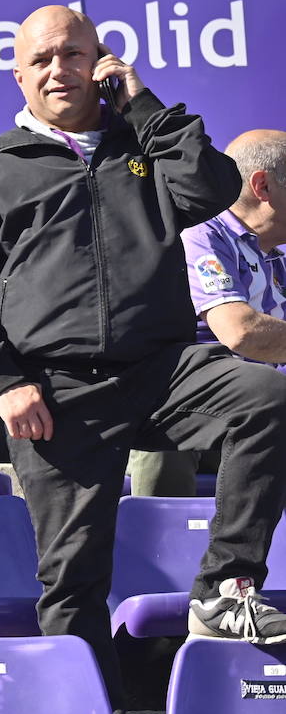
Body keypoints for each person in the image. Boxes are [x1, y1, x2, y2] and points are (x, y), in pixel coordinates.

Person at [0, 4, 286, 711]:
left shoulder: (145, 142)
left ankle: (223, 586)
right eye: (41, 60)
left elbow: (214, 191)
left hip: (163, 367)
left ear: (103, 61)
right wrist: (2, 381)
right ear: (18, 75)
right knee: (73, 580)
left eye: (73, 54)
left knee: (266, 397)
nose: (59, 69)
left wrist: (145, 106)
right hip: (56, 391)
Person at [128, 129, 286, 496]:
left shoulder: (276, 253)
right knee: (169, 436)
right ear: (263, 187)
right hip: (190, 407)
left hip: (261, 412)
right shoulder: (201, 232)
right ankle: (157, 550)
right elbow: (240, 332)